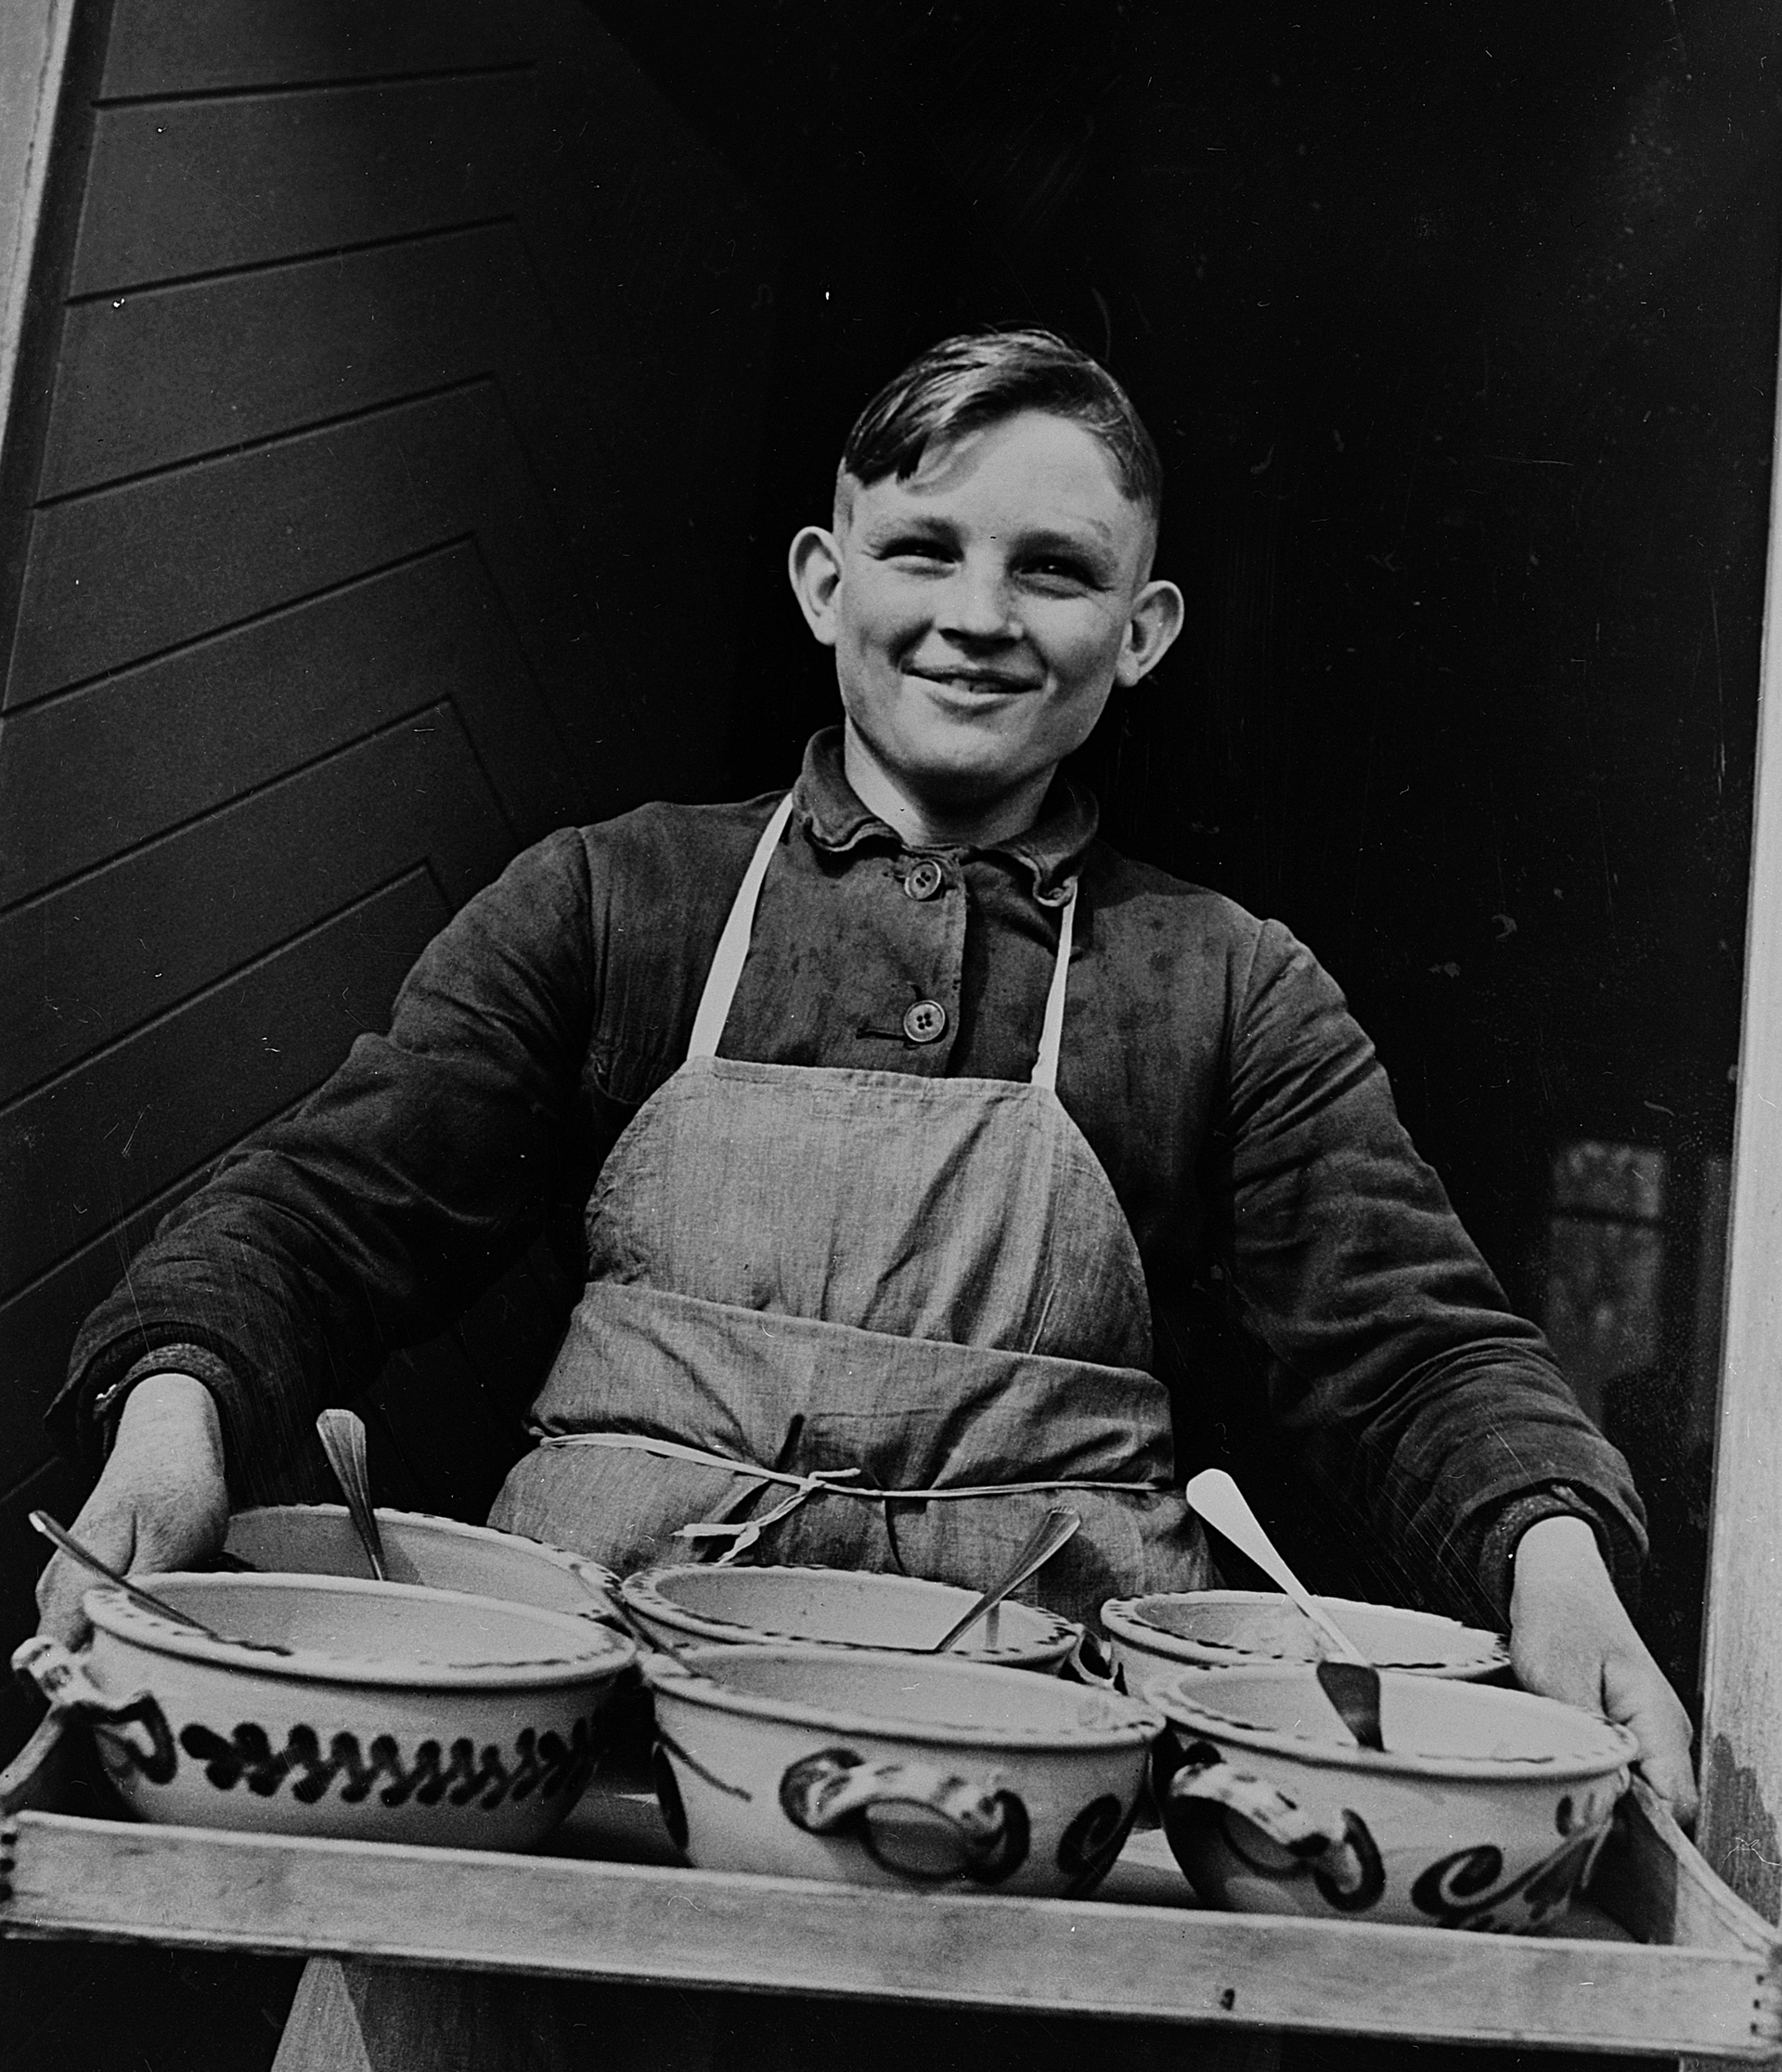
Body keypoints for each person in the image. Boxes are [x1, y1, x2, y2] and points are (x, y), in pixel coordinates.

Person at [33, 327, 1696, 1823]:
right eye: (924, 550)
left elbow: (1413, 1353)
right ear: (827, 583)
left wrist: (1556, 1568)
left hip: (1034, 1808)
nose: (978, 617)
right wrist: (178, 1416)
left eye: (1054, 570)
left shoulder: (1229, 989)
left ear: (1144, 630)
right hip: (588, 1779)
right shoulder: (615, 906)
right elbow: (323, 1221)